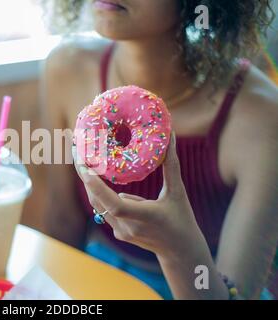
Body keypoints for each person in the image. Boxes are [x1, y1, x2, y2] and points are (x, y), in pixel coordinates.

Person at [42, 0, 278, 299]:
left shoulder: (262, 114)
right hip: (101, 278)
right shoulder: (67, 68)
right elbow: (64, 223)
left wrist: (178, 249)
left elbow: (237, 293)